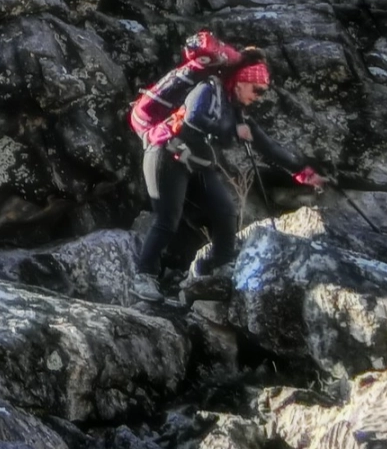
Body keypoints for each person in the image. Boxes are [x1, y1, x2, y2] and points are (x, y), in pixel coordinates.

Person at [138, 51, 323, 294]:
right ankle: (143, 276)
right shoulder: (208, 88)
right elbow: (194, 119)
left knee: (226, 211)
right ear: (241, 81)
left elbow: (269, 147)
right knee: (167, 220)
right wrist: (233, 131)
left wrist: (305, 174)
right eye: (256, 90)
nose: (257, 97)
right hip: (165, 155)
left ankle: (221, 268)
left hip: (195, 163)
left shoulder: (235, 111)